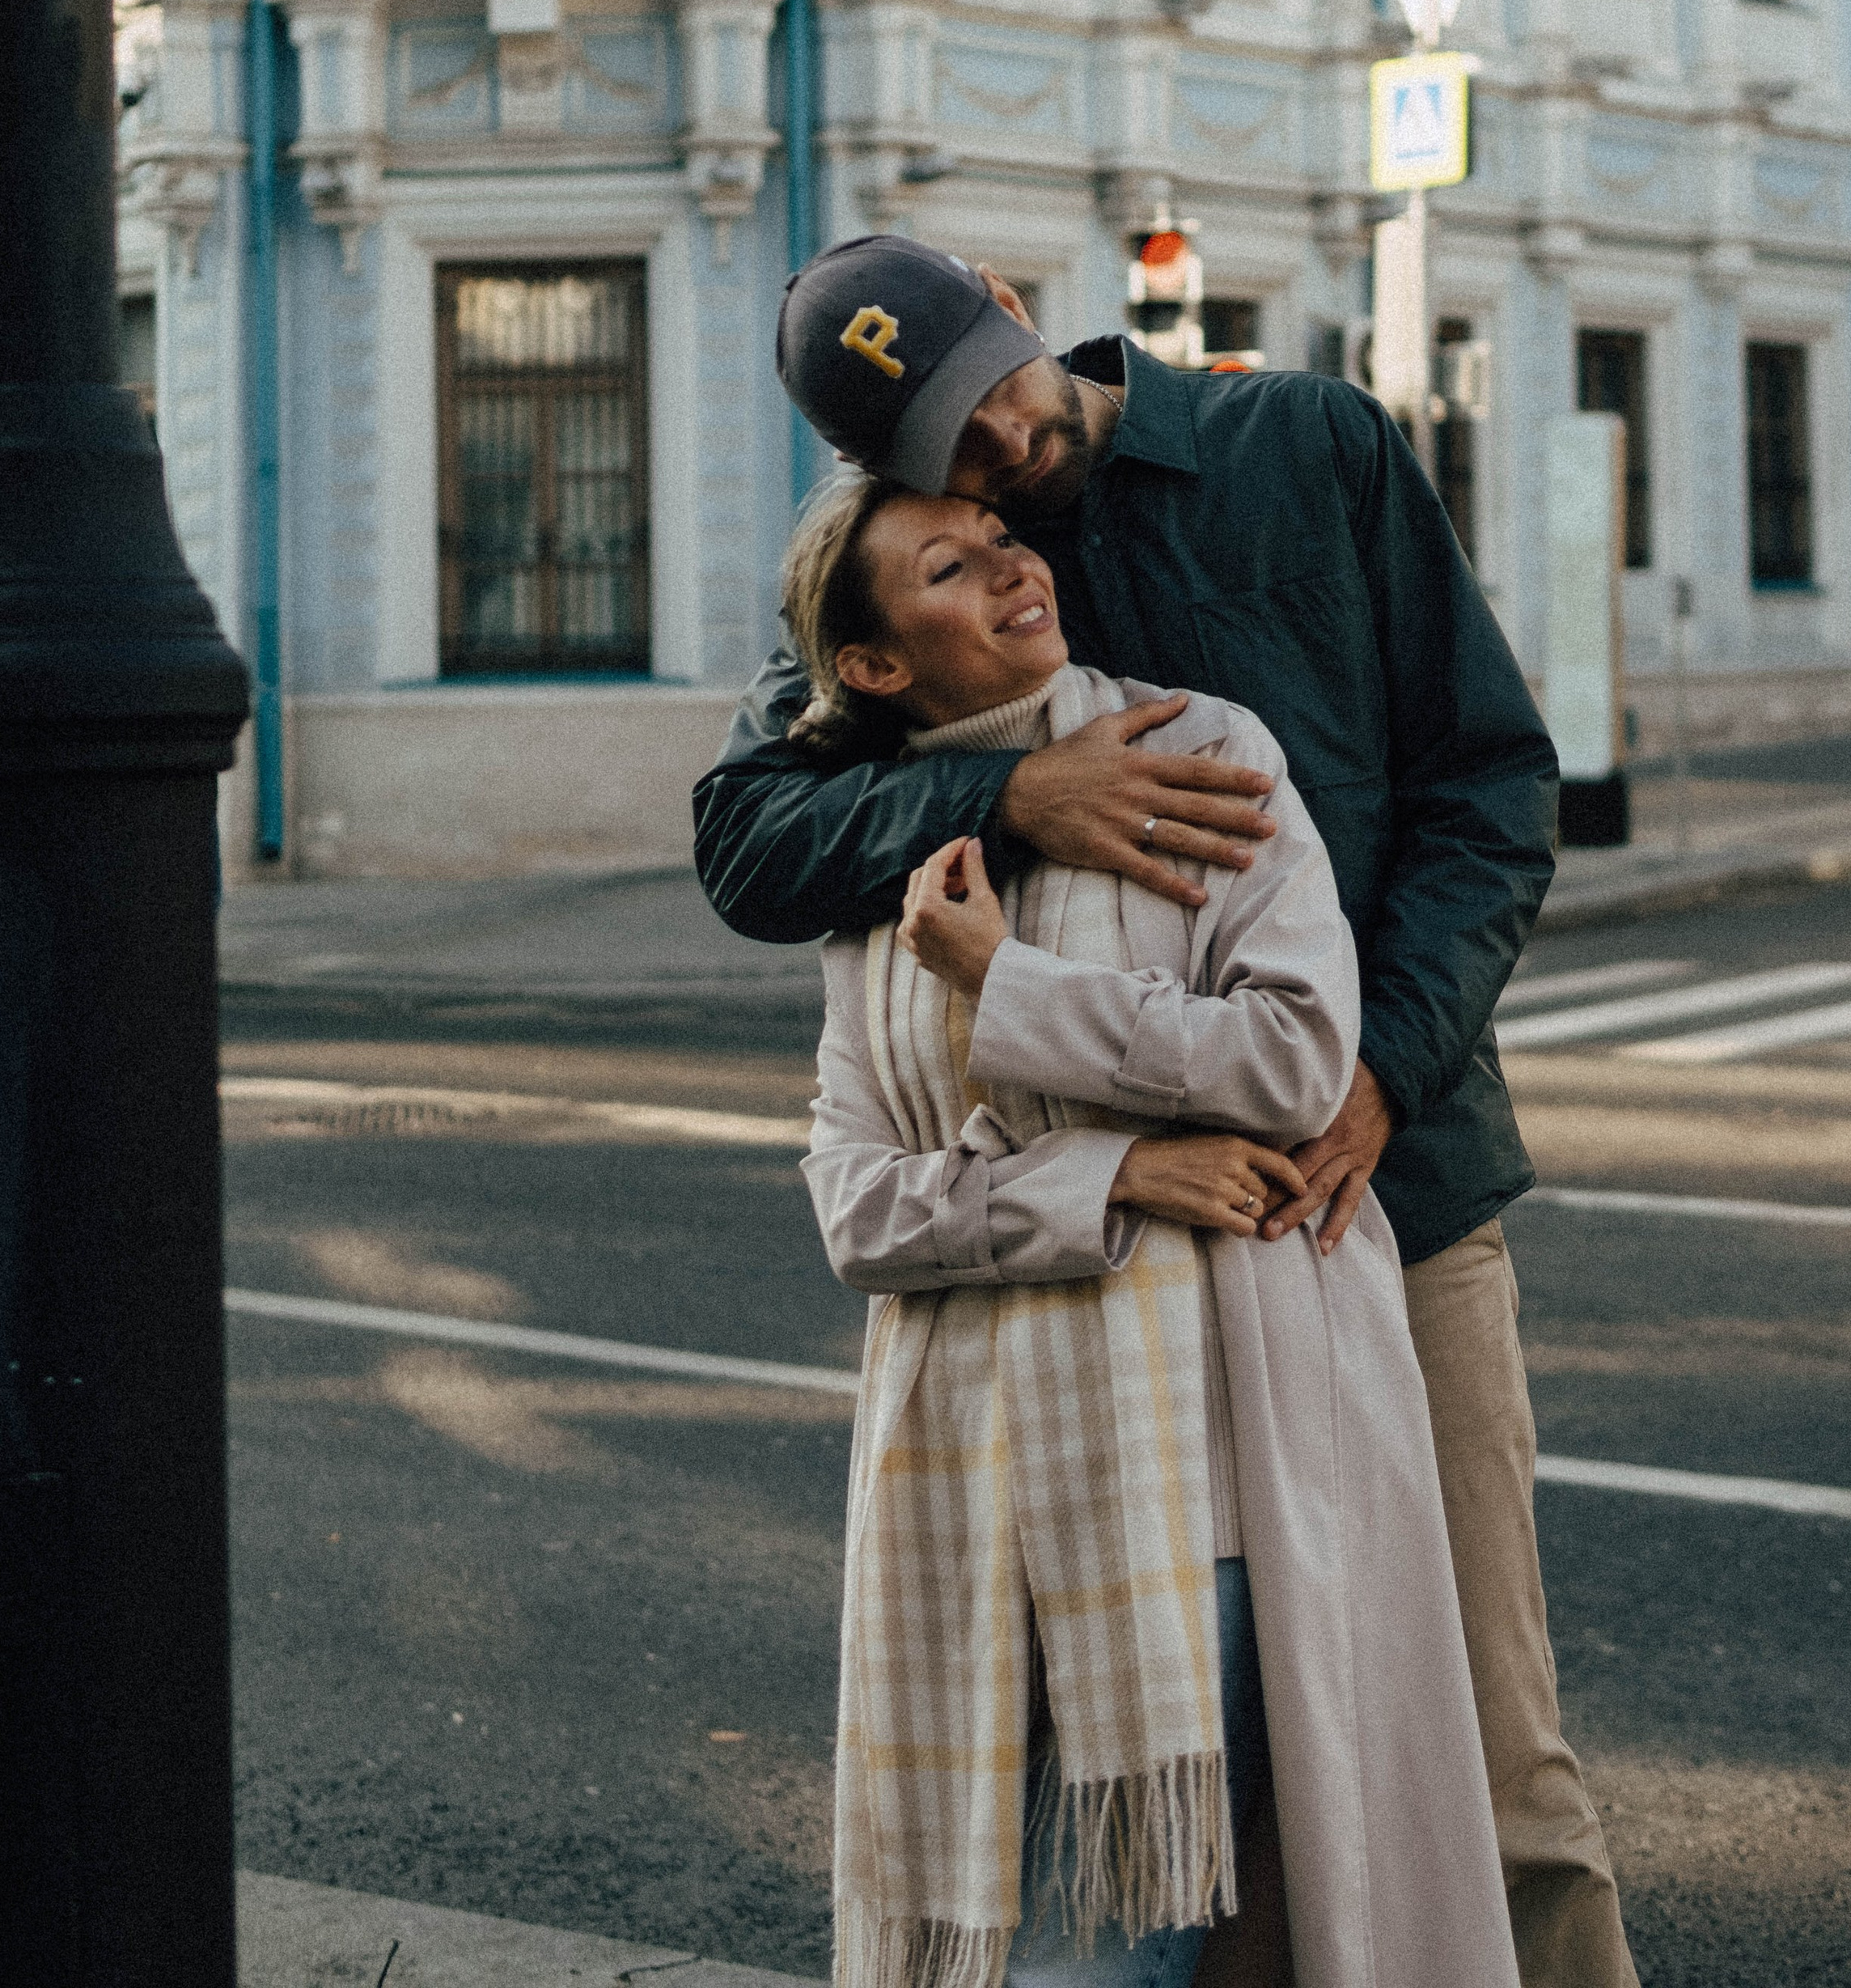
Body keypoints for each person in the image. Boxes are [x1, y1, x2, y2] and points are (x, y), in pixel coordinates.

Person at [695, 235, 1641, 1988]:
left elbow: (1489, 787)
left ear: (1012, 304)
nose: (991, 472)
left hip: (1381, 1206)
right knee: (1179, 1813)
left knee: (1473, 1766)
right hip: (1116, 1297)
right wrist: (1012, 786)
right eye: (939, 467)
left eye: (990, 398)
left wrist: (1377, 1074)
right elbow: (749, 837)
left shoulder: (1306, 447)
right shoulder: (952, 567)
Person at [790, 473, 1518, 1988]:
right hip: (956, 1467)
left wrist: (1018, 994)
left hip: (1204, 1442)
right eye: (949, 566)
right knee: (998, 1946)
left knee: (1112, 1953)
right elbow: (856, 1207)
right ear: (872, 664)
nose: (1010, 570)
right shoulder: (891, 862)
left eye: (1003, 539)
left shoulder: (1203, 749)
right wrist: (1116, 1178)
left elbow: (1298, 1057)